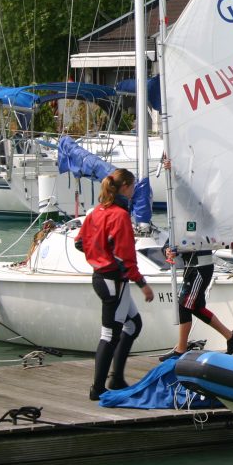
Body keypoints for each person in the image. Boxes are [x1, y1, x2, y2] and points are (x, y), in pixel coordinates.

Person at [76, 168, 154, 400]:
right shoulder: (119, 215)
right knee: (109, 334)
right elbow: (125, 258)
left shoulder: (96, 212)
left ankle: (116, 378)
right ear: (126, 188)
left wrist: (99, 255)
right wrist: (143, 284)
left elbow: (79, 242)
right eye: (133, 188)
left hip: (102, 277)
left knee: (133, 325)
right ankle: (97, 389)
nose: (134, 192)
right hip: (113, 282)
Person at [158, 249, 233, 361]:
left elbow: (193, 240)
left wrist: (176, 249)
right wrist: (168, 250)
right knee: (197, 308)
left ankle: (181, 350)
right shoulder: (178, 230)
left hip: (200, 269)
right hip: (192, 269)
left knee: (184, 305)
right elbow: (171, 240)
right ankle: (231, 336)